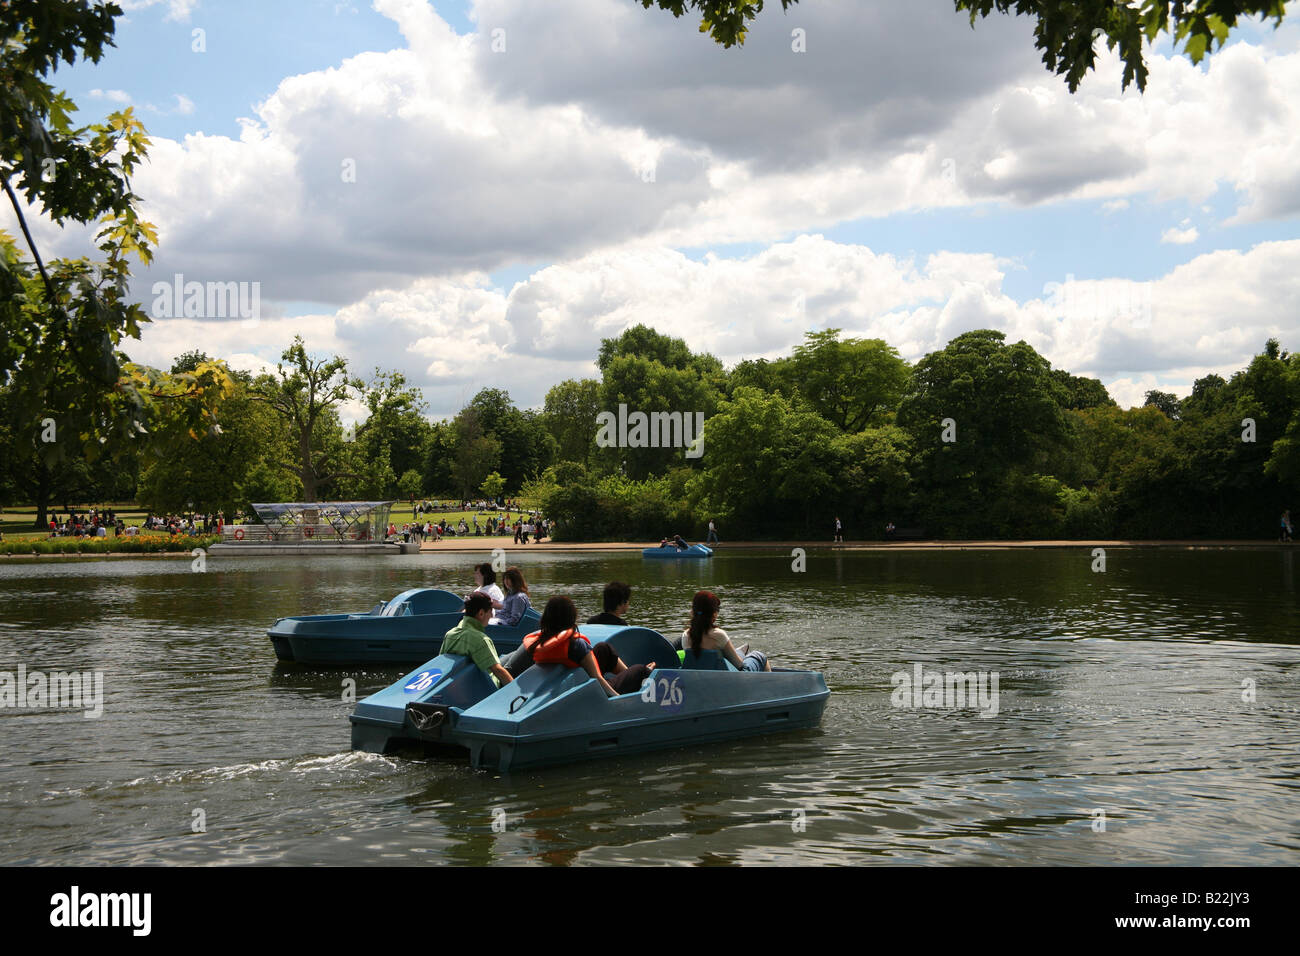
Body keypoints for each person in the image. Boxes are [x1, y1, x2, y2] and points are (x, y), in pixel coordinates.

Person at [506, 597, 654, 696]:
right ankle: (636, 678)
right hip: (590, 692)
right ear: (571, 617)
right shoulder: (576, 644)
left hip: (567, 684)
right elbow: (597, 679)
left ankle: (628, 675)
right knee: (641, 670)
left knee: (604, 649)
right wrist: (618, 698)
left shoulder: (537, 642)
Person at [683, 590, 771, 672]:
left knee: (734, 654)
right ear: (713, 613)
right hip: (730, 679)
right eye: (717, 610)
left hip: (699, 679)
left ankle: (739, 652)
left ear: (693, 611)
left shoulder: (686, 635)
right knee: (759, 656)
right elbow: (739, 666)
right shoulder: (718, 635)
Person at [440, 593, 514, 687]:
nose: (491, 615)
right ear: (481, 613)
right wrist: (515, 695)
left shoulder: (449, 634)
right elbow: (498, 671)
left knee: (508, 656)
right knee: (519, 653)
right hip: (490, 686)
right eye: (490, 611)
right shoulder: (481, 639)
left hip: (463, 685)